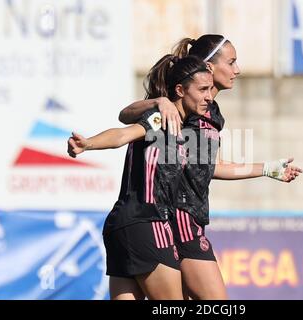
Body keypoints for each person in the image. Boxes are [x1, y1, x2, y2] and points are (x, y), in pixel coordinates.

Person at [117, 35, 303, 299]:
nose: (237, 70)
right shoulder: (182, 106)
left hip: (185, 218)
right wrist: (159, 102)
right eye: (232, 62)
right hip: (176, 218)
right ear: (210, 67)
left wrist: (267, 168)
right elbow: (126, 116)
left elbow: (205, 166)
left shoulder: (209, 110)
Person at [68, 55, 215, 300]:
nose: (209, 96)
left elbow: (212, 167)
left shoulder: (186, 125)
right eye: (203, 89)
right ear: (180, 90)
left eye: (210, 89)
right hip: (148, 223)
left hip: (120, 225)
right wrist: (89, 144)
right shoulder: (162, 117)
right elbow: (123, 134)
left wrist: (266, 169)